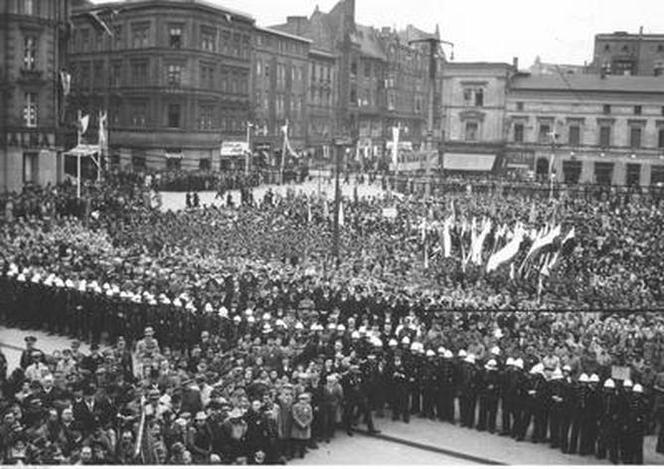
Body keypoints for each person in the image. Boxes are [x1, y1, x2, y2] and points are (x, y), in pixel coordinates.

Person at [290, 394, 313, 459]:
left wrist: (306, 424)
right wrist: (300, 424)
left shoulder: (309, 407)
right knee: (296, 440)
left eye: (305, 399)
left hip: (306, 425)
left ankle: (302, 453)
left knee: (304, 440)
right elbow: (294, 416)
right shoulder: (295, 406)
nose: (303, 401)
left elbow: (310, 417)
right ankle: (293, 453)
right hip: (297, 425)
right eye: (301, 399)